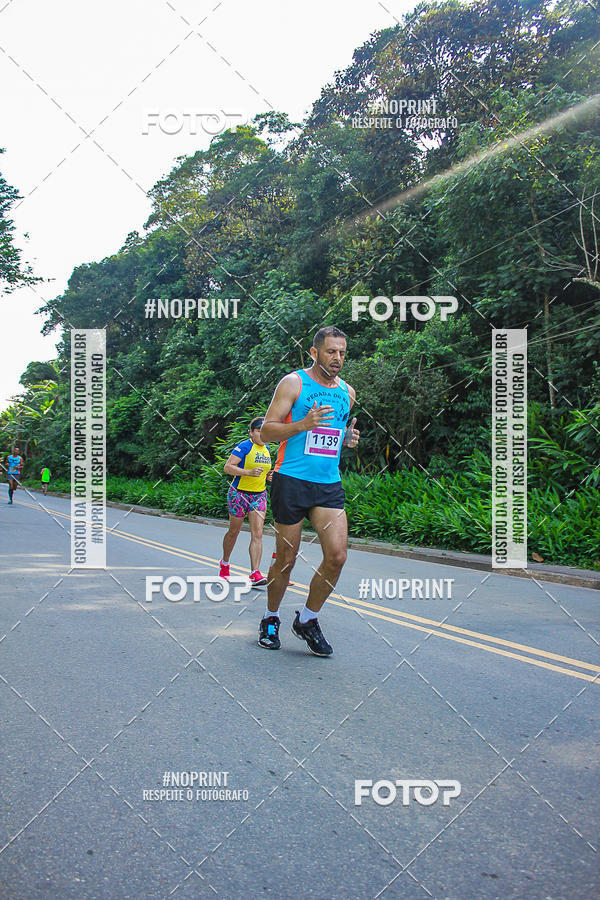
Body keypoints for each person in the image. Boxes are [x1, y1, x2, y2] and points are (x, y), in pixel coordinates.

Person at [258, 326, 359, 656]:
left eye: (342, 353)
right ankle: (271, 618)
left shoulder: (348, 391)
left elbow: (333, 435)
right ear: (314, 353)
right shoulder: (293, 383)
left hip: (328, 484)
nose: (338, 359)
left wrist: (346, 440)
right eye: (331, 352)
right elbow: (268, 431)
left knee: (337, 556)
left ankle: (307, 619)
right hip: (291, 481)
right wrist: (302, 424)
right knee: (285, 560)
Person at [220, 417, 272, 587]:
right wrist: (248, 472)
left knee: (257, 533)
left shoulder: (267, 449)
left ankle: (255, 573)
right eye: (258, 431)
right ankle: (225, 563)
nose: (262, 434)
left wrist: (269, 476)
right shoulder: (244, 446)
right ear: (251, 432)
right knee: (234, 531)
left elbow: (263, 472)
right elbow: (228, 467)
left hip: (259, 495)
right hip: (238, 494)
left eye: (265, 431)